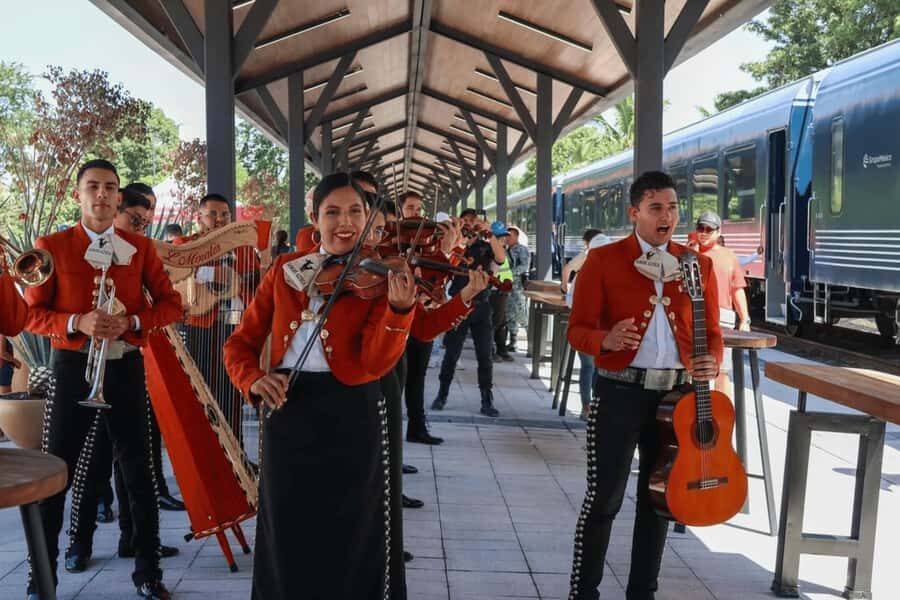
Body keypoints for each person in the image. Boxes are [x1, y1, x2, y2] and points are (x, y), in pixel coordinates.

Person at [223, 172, 416, 600]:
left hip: (353, 409)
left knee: (354, 525)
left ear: (368, 218)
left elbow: (376, 362)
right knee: (286, 524)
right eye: (332, 212)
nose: (344, 222)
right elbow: (239, 344)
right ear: (314, 218)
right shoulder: (285, 269)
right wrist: (253, 379)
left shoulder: (382, 276)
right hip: (288, 407)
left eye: (355, 212)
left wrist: (399, 312)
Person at [24, 159, 182, 600]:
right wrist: (77, 321)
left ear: (118, 196)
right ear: (78, 195)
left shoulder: (140, 247)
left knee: (139, 470)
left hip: (124, 364)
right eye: (92, 186)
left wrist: (132, 320)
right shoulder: (51, 246)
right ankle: (41, 579)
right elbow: (30, 315)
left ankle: (148, 572)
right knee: (56, 471)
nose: (102, 194)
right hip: (72, 367)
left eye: (110, 187)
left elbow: (171, 305)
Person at [566, 170, 723, 600]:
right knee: (604, 499)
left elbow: (712, 332)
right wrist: (605, 340)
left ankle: (643, 593)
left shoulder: (698, 264)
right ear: (634, 212)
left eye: (672, 207)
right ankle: (584, 593)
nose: (666, 216)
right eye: (656, 208)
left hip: (676, 399)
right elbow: (577, 330)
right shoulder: (603, 260)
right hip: (619, 391)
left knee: (660, 501)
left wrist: (712, 359)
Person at [178, 193, 259, 444]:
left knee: (232, 390)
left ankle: (235, 447)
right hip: (201, 326)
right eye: (212, 214)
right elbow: (175, 272)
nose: (220, 219)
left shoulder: (243, 247)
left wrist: (239, 282)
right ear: (199, 217)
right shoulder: (185, 245)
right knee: (201, 388)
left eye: (225, 214)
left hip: (235, 327)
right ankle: (207, 447)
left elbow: (257, 283)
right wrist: (210, 273)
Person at [431, 208, 506, 417]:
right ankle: (442, 394)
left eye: (473, 221)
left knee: (485, 354)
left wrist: (490, 234)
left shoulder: (486, 245)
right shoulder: (456, 245)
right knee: (451, 353)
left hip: (481, 304)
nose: (470, 224)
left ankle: (486, 398)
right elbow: (443, 260)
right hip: (458, 304)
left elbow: (501, 258)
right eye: (466, 221)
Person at [564, 230, 612, 420]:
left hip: (589, 329)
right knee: (596, 368)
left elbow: (570, 301)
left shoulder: (582, 274)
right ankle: (594, 408)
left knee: (588, 367)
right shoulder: (613, 274)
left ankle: (587, 407)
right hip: (599, 331)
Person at [690, 211, 751, 332]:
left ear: (718, 232)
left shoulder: (729, 256)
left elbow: (737, 289)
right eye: (700, 228)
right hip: (693, 316)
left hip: (723, 318)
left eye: (709, 229)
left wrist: (745, 320)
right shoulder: (688, 255)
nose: (704, 233)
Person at [489, 222, 514, 362]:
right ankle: (490, 351)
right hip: (495, 291)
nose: (504, 239)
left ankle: (501, 349)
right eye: (502, 237)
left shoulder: (502, 250)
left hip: (502, 290)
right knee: (495, 322)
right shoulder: (493, 251)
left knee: (501, 322)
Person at [504, 225, 530, 352]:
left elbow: (524, 266)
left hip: (517, 287)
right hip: (508, 286)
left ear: (516, 236)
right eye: (506, 236)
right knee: (509, 314)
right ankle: (513, 341)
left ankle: (532, 341)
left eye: (510, 236)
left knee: (521, 313)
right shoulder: (506, 249)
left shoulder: (522, 249)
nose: (507, 238)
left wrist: (510, 273)